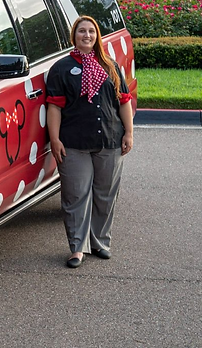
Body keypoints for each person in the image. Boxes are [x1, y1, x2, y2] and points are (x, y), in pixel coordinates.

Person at [45, 15, 134, 268]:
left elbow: (124, 101)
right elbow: (54, 107)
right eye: (82, 31)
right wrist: (55, 139)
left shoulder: (110, 66)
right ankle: (77, 248)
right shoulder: (61, 68)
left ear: (97, 36)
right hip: (73, 142)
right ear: (74, 36)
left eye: (92, 31)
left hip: (110, 139)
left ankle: (100, 243)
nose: (87, 35)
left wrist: (129, 133)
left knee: (105, 194)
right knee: (75, 195)